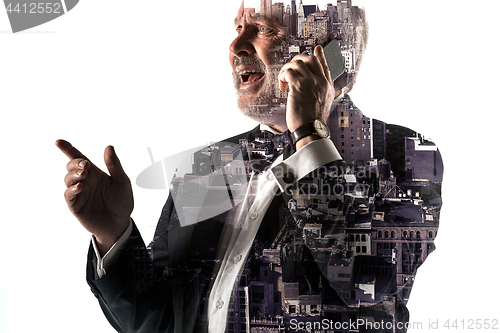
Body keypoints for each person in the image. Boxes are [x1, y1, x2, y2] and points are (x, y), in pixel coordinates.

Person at [57, 1, 443, 332]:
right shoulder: (209, 165)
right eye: (238, 28)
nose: (235, 46)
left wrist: (309, 133)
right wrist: (114, 236)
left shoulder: (404, 153)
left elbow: (367, 283)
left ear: (328, 52)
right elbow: (160, 320)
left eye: (261, 29)